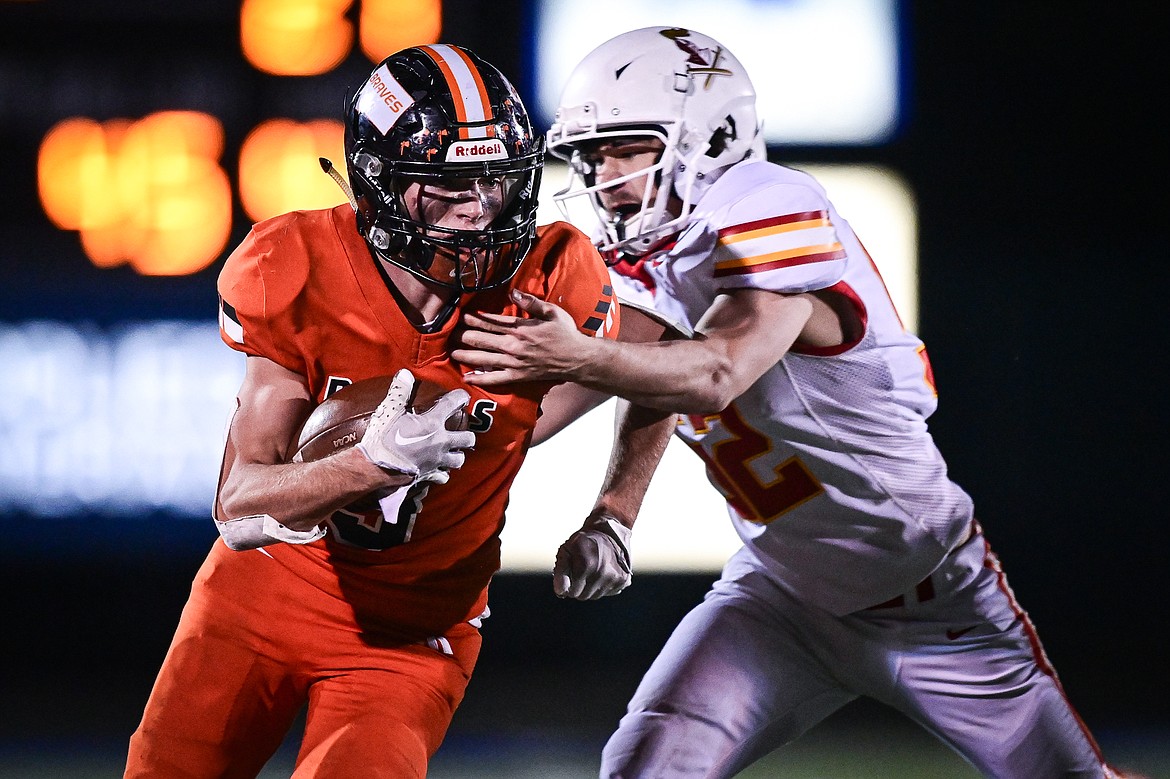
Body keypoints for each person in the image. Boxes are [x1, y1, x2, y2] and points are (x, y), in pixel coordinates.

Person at [453, 26, 1126, 778]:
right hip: (780, 595)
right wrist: (410, 436)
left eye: (621, 149)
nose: (602, 176)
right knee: (643, 768)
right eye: (590, 157)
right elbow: (593, 389)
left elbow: (714, 373)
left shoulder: (769, 200)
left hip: (933, 597)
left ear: (709, 137)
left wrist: (577, 351)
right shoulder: (657, 256)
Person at [124, 43, 620, 778]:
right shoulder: (294, 262)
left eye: (494, 181)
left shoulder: (554, 273)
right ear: (383, 185)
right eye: (446, 183)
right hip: (263, 591)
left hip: (413, 635)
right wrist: (372, 463)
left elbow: (656, 367)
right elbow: (240, 503)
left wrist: (616, 509)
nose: (478, 208)